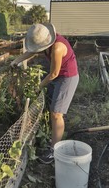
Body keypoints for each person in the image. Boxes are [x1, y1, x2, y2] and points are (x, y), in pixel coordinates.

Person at [10, 23, 79, 164]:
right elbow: (33, 51)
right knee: (50, 105)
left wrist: (39, 86)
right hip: (57, 76)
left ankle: (54, 150)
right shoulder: (47, 43)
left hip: (67, 78)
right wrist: (16, 61)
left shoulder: (58, 47)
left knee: (56, 113)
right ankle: (54, 136)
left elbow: (53, 73)